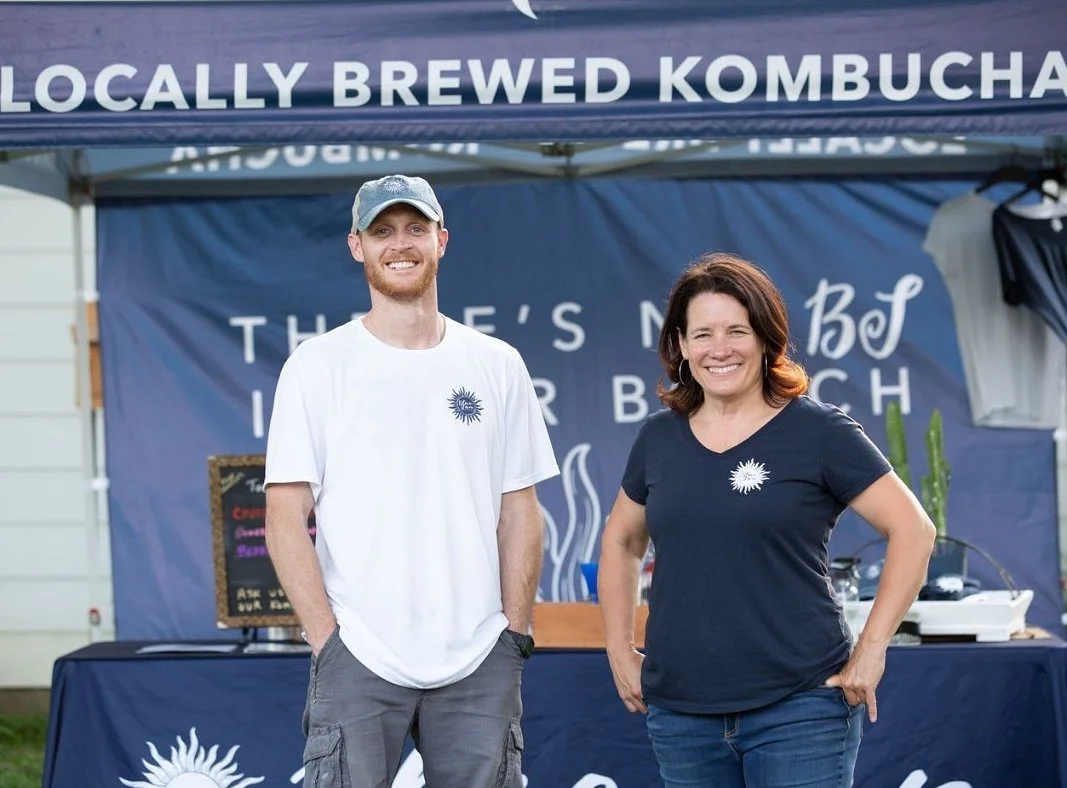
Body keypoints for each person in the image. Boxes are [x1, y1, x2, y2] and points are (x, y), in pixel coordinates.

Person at [264, 174, 559, 788]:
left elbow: (520, 510)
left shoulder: (497, 364)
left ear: (441, 240)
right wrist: (328, 641)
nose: (401, 244)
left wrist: (515, 634)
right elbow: (284, 518)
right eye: (383, 231)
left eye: (415, 229)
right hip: (359, 652)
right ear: (357, 246)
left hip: (479, 654)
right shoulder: (316, 366)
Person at [598, 252, 936, 788]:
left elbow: (914, 530)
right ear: (681, 346)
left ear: (765, 337)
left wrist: (871, 651)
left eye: (737, 330)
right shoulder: (658, 437)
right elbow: (620, 541)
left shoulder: (819, 431)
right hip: (682, 713)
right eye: (702, 333)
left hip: (801, 707)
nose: (720, 349)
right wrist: (618, 648)